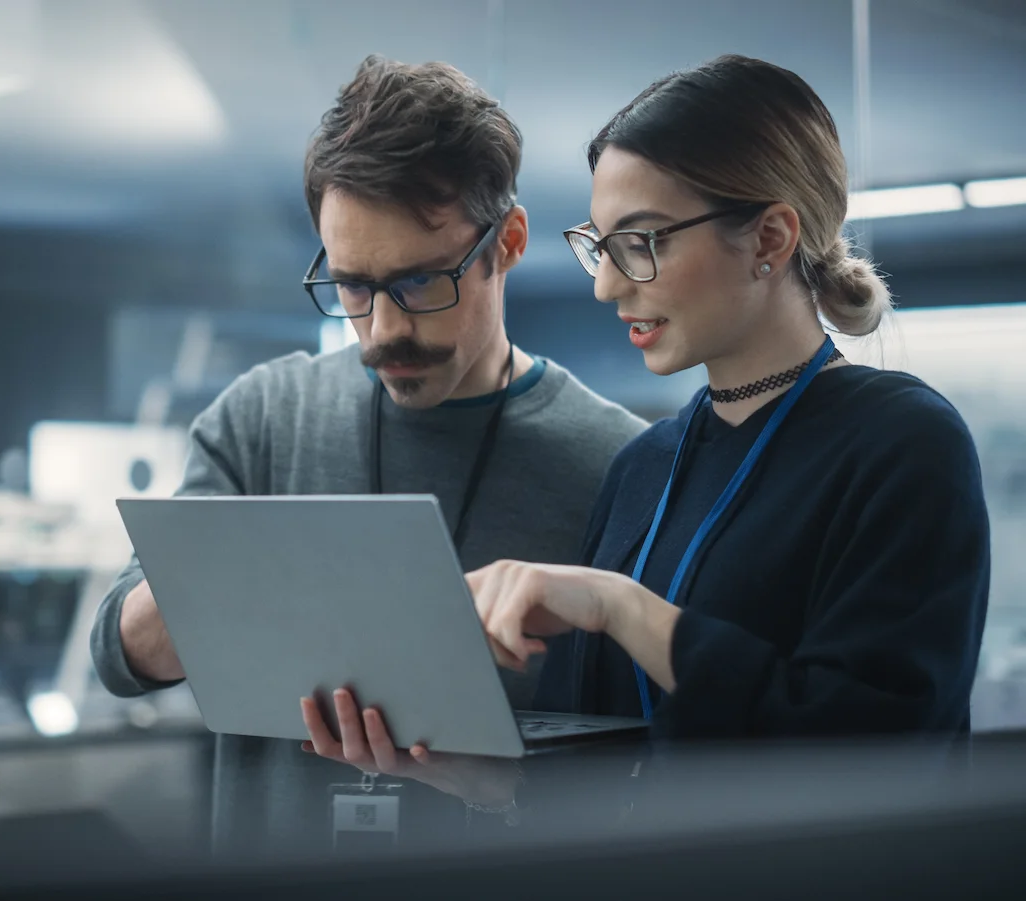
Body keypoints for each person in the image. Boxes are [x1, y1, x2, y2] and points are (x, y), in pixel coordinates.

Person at [307, 54, 990, 809]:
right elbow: (601, 771)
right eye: (601, 245)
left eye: (643, 242)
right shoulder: (645, 466)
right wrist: (485, 779)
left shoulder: (902, 443)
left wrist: (621, 608)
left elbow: (874, 749)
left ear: (769, 238)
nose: (606, 284)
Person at [90, 55, 645, 858]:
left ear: (508, 243)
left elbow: (641, 774)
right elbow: (117, 652)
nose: (382, 329)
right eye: (352, 286)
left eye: (420, 283)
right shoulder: (264, 417)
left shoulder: (618, 464)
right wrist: (229, 581)